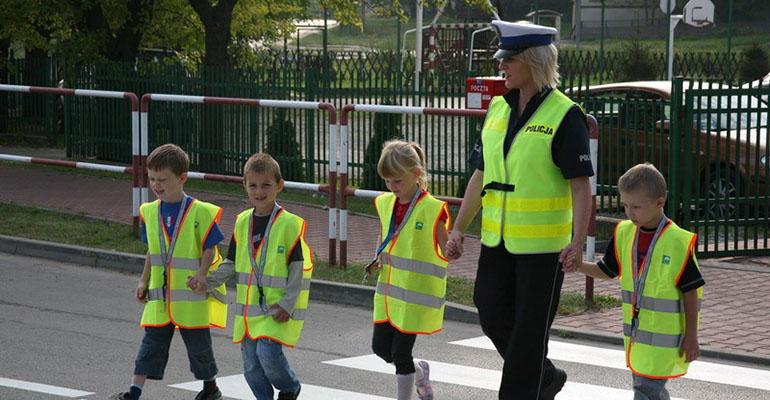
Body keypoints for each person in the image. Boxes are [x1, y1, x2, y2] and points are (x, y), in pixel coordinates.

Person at [444, 20, 594, 400]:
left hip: (544, 250)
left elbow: (581, 186)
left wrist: (578, 243)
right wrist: (459, 228)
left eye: (508, 59)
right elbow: (481, 174)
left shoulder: (565, 114)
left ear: (532, 60)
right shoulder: (498, 108)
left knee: (529, 333)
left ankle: (525, 388)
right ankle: (543, 377)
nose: (500, 66)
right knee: (490, 311)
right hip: (498, 240)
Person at [564, 163, 704, 400]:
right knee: (650, 392)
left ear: (660, 202)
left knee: (645, 392)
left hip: (666, 340)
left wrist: (692, 335)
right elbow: (607, 270)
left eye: (636, 206)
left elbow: (691, 291)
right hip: (637, 339)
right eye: (625, 205)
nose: (629, 212)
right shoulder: (625, 233)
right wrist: (578, 266)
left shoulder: (678, 242)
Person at [190, 152, 312, 400]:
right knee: (251, 368)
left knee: (268, 355)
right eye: (253, 185)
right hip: (247, 314)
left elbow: (299, 268)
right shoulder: (242, 222)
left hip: (275, 309)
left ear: (279, 185)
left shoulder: (289, 224)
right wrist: (208, 281)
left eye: (267, 185)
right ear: (244, 185)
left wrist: (288, 303)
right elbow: (231, 263)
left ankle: (289, 388)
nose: (260, 191)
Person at [112, 143, 227, 400]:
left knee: (199, 348)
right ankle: (134, 392)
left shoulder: (200, 212)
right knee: (150, 345)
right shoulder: (150, 212)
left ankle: (211, 388)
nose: (156, 185)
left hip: (190, 296)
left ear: (182, 178)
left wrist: (201, 274)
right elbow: (153, 251)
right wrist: (143, 280)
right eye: (152, 178)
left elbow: (211, 246)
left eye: (163, 179)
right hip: (160, 297)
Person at [367, 140, 450, 400]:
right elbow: (387, 237)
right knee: (381, 349)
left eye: (397, 181)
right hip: (389, 293)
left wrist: (453, 248)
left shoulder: (432, 209)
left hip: (415, 296)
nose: (392, 188)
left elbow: (445, 248)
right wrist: (377, 257)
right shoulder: (385, 203)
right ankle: (419, 372)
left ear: (416, 174)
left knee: (401, 354)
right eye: (387, 181)